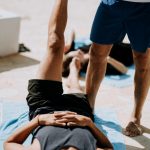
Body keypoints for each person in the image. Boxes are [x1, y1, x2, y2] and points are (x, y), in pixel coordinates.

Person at [4, 0, 113, 150]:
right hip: (79, 112)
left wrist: (39, 120)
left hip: (44, 106)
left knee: (55, 43)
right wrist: (88, 123)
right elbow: (108, 148)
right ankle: (73, 71)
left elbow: (9, 144)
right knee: (75, 87)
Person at [86, 0, 150, 137]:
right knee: (96, 53)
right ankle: (88, 106)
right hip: (112, 3)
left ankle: (136, 115)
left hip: (146, 6)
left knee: (143, 60)